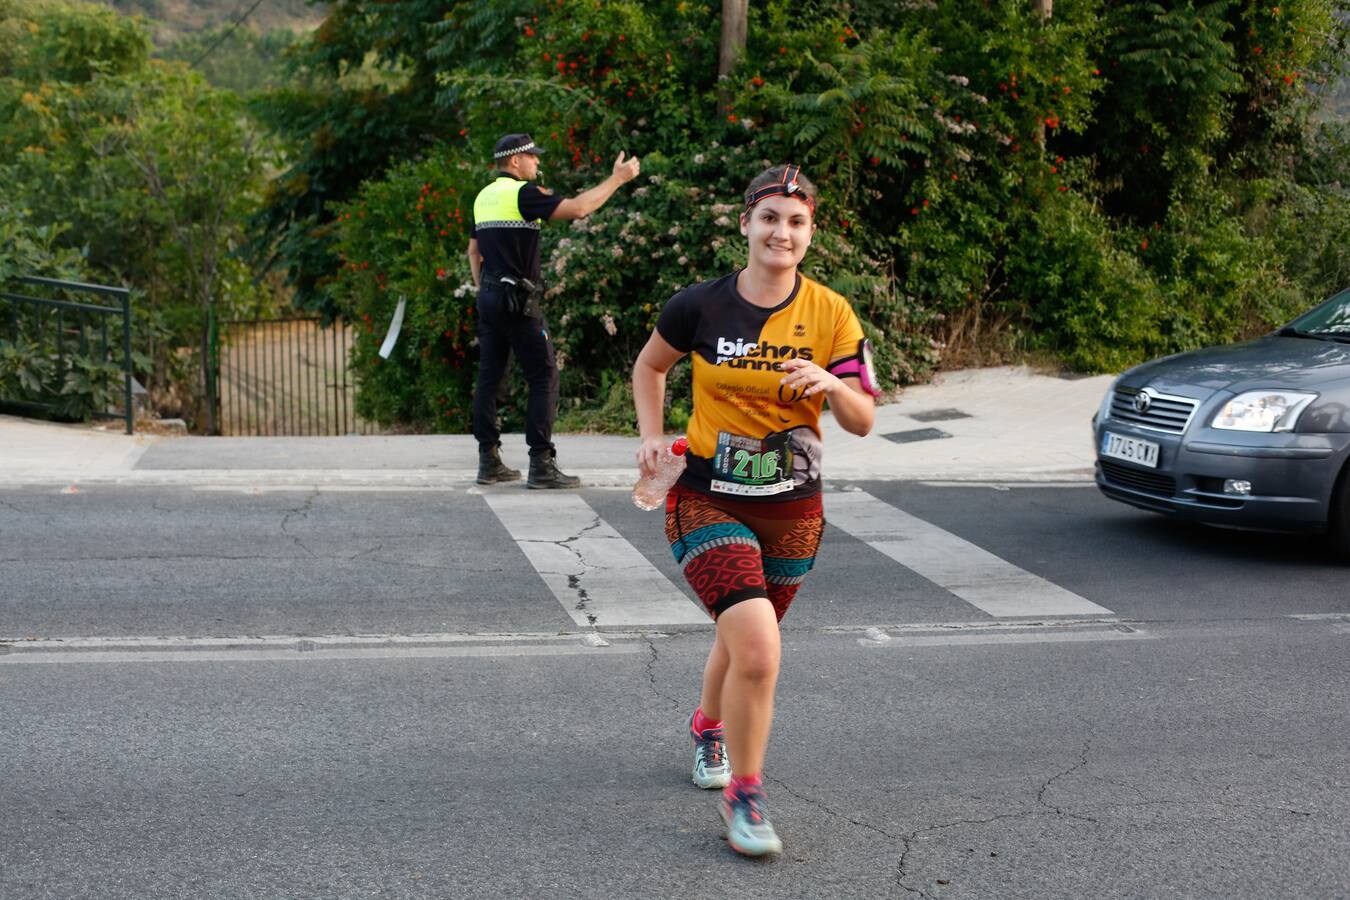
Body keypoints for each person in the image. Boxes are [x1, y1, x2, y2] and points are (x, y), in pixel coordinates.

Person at [631, 164, 880, 857]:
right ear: (745, 223)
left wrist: (831, 382)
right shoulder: (700, 306)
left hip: (794, 508)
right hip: (708, 497)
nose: (782, 231)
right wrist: (652, 435)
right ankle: (747, 796)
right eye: (770, 217)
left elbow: (862, 419)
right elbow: (650, 367)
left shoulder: (832, 315)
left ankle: (709, 727)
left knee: (743, 641)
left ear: (810, 233)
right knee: (760, 649)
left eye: (796, 221)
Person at [467, 132, 641, 488]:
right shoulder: (524, 194)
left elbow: (474, 251)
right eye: (533, 157)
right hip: (519, 301)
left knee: (489, 378)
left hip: (488, 298)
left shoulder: (483, 197)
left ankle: (489, 462)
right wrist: (618, 178)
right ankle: (542, 465)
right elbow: (579, 208)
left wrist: (484, 288)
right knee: (544, 376)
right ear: (515, 161)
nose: (538, 162)